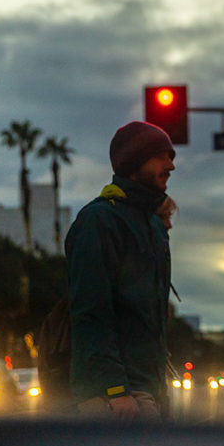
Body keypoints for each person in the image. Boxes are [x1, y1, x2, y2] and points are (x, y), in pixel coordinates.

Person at [65, 121, 175, 421]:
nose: (170, 165)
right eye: (161, 157)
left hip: (149, 388)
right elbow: (91, 310)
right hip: (117, 396)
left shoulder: (152, 225)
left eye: (172, 157)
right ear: (134, 161)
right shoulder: (100, 220)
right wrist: (115, 389)